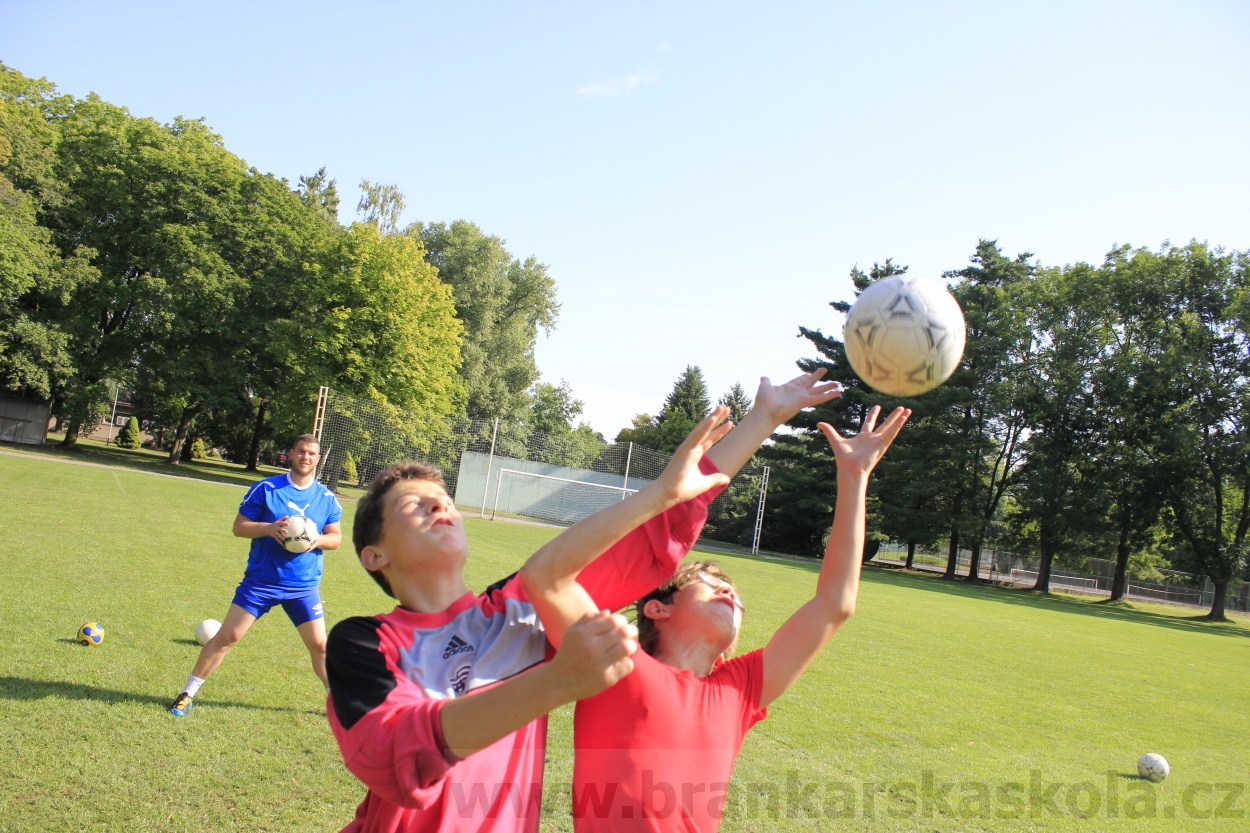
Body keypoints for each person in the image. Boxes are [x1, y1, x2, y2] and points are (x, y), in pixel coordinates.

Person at [324, 371, 842, 833]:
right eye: (414, 504)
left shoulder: (519, 614)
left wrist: (763, 419)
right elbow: (393, 753)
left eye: (446, 501)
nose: (440, 504)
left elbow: (655, 529)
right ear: (375, 555)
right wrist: (553, 682)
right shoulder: (365, 641)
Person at [519, 403, 911, 831]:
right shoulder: (614, 660)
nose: (730, 591)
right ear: (658, 608)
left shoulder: (740, 690)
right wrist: (661, 497)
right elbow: (548, 579)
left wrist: (854, 478)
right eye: (709, 584)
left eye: (736, 596)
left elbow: (835, 603)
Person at [169, 433, 343, 716]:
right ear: (291, 454)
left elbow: (335, 538)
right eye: (301, 452)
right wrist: (269, 528)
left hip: (303, 585)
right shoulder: (266, 488)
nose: (305, 457)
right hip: (262, 581)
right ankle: (188, 693)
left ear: (318, 458)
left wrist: (316, 540)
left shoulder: (326, 497)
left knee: (321, 645)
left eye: (311, 453)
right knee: (228, 635)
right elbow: (239, 527)